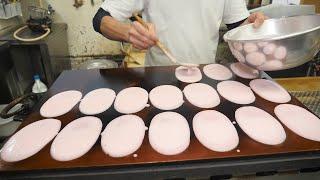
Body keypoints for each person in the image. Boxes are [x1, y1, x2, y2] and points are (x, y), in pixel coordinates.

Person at [93, 0, 267, 66]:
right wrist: (127, 32)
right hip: (159, 76)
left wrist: (249, 26)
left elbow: (237, 26)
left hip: (204, 74)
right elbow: (100, 19)